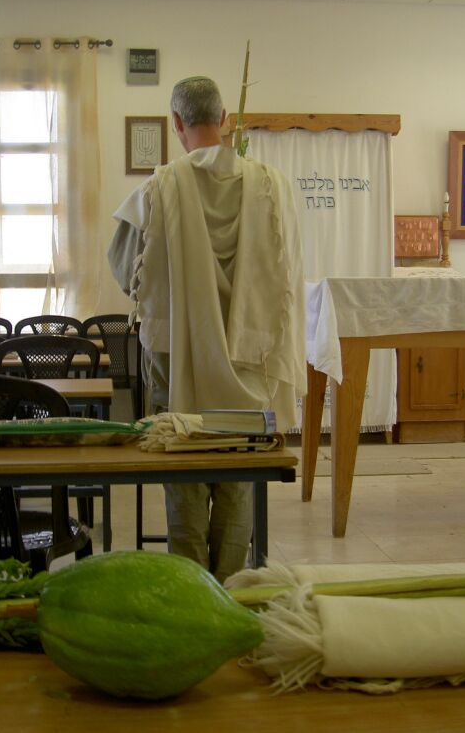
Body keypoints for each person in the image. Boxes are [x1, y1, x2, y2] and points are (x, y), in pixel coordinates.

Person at [108, 76, 306, 583]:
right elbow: (290, 275)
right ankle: (233, 587)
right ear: (225, 120)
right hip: (250, 355)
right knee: (238, 471)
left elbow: (126, 270)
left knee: (183, 466)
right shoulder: (273, 186)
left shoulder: (158, 188)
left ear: (175, 123)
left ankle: (192, 587)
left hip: (178, 352)